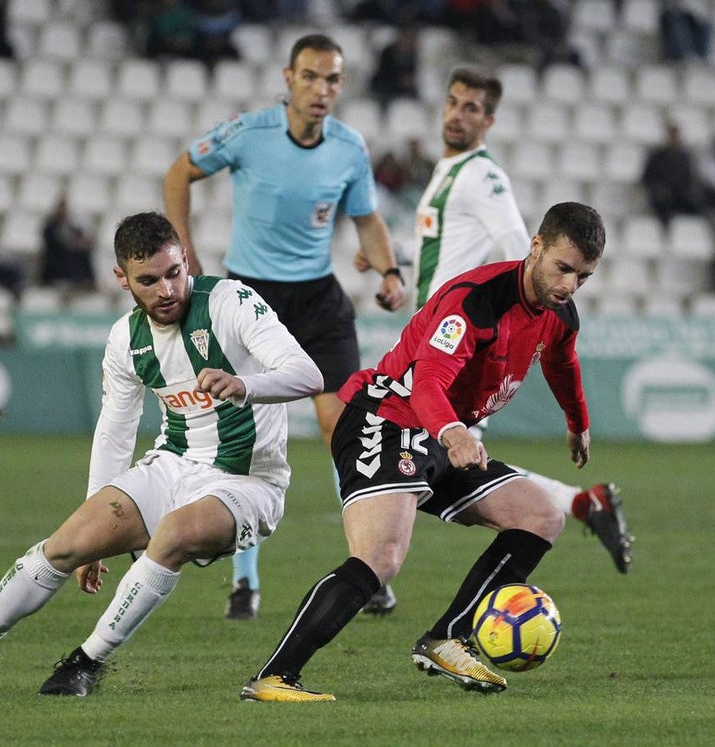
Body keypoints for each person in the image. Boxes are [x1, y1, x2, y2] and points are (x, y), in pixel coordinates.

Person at [0, 212, 323, 697]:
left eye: (173, 273)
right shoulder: (126, 339)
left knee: (176, 534)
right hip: (172, 465)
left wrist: (245, 384)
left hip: (248, 480)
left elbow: (307, 375)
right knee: (66, 545)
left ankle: (85, 662)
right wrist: (95, 511)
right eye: (149, 280)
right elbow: (115, 431)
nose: (166, 290)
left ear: (185, 259)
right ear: (122, 278)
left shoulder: (231, 302)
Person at [240, 201, 614, 702]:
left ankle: (448, 639)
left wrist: (578, 423)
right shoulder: (475, 301)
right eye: (563, 269)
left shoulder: (557, 311)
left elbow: (563, 361)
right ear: (536, 247)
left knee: (541, 516)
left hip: (438, 436)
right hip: (386, 420)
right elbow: (429, 384)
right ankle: (274, 677)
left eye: (583, 277)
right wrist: (455, 433)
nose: (569, 286)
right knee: (380, 557)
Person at [163, 33, 407, 620]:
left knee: (343, 429)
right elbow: (178, 174)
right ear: (288, 78)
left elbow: (367, 220)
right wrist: (185, 252)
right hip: (252, 299)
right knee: (250, 442)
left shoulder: (349, 148)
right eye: (311, 77)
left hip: (318, 300)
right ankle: (245, 583)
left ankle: (367, 571)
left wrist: (390, 269)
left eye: (332, 79)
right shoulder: (250, 133)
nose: (321, 89)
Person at [374, 67, 631, 575]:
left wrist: (526, 314)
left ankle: (375, 573)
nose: (456, 114)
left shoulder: (481, 177)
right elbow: (443, 244)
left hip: (464, 340)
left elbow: (521, 248)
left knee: (404, 447)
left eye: (471, 108)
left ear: (488, 120)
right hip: (435, 332)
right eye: (452, 102)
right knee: (435, 457)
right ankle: (581, 503)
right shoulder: (449, 171)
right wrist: (394, 258)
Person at [641, 122, 705, 226]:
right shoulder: (657, 156)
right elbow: (647, 178)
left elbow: (689, 179)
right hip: (663, 195)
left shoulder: (684, 157)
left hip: (680, 194)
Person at [40, 195, 97, 289]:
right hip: (56, 265)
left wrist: (83, 241)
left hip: (71, 264)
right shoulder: (50, 228)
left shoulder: (70, 226)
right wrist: (72, 244)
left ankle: (87, 281)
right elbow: (56, 244)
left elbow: (81, 237)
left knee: (84, 253)